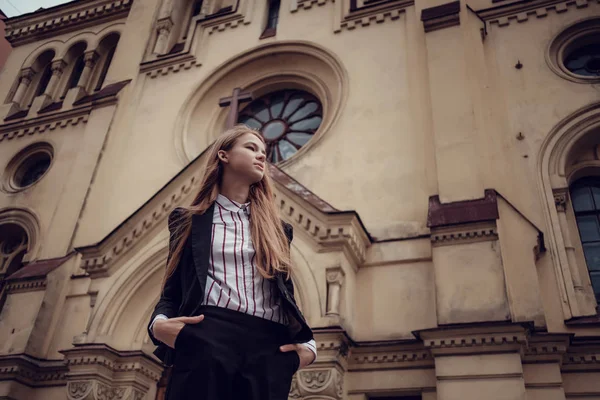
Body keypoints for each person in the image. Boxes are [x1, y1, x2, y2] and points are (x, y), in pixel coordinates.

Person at [147, 125, 316, 400]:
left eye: (264, 152)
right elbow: (172, 290)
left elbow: (285, 294)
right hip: (208, 337)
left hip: (268, 348)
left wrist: (307, 348)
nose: (261, 156)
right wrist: (159, 325)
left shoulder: (278, 229)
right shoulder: (188, 221)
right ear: (223, 155)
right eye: (251, 148)